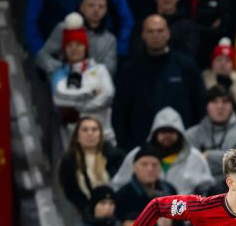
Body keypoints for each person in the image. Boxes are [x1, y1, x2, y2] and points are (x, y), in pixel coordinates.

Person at [112, 16, 206, 152]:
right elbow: (120, 111)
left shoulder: (186, 66)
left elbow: (200, 105)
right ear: (143, 35)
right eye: (150, 31)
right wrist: (125, 146)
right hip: (141, 148)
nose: (155, 35)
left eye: (160, 31)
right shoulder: (130, 69)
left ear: (168, 33)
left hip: (182, 145)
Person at [112, 107, 214, 195]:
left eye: (171, 131)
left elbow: (207, 190)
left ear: (180, 133)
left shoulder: (195, 157)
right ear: (154, 133)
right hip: (143, 212)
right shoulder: (138, 155)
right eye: (163, 131)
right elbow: (118, 186)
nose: (167, 135)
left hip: (186, 213)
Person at [50, 13, 116, 139]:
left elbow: (107, 96)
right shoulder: (59, 74)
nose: (74, 49)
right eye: (70, 45)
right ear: (64, 49)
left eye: (78, 45)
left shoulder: (100, 70)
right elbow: (59, 99)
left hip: (104, 135)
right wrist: (92, 93)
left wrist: (79, 108)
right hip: (73, 138)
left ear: (85, 47)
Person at [186, 84, 236, 184]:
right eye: (214, 102)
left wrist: (208, 155)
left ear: (232, 106)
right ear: (206, 106)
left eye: (225, 101)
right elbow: (189, 168)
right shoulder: (192, 134)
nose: (220, 106)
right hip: (199, 190)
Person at [36, 0, 119, 76]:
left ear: (106, 11)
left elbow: (110, 70)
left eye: (101, 6)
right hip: (63, 83)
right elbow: (41, 56)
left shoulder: (110, 40)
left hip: (93, 86)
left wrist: (87, 72)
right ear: (82, 7)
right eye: (91, 5)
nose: (96, 9)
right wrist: (62, 68)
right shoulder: (65, 28)